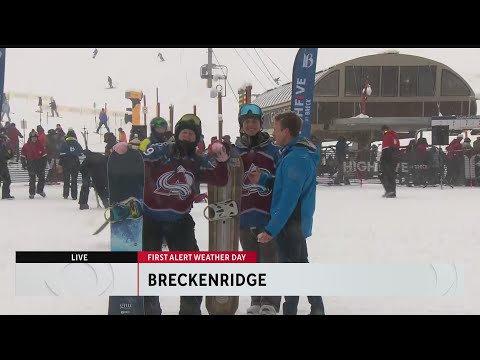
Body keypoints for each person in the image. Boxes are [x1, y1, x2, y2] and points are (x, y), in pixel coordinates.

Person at [114, 113, 229, 315]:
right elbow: (140, 159)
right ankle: (150, 308)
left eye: (191, 134)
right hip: (151, 220)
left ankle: (190, 309)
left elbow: (219, 180)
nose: (186, 136)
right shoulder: (161, 151)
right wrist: (123, 153)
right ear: (176, 134)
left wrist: (221, 161)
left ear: (196, 138)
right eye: (183, 132)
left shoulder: (197, 160)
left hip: (180, 221)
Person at [249, 111, 325, 315]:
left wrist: (271, 229)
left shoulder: (296, 158)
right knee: (298, 266)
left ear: (286, 131)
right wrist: (264, 180)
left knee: (291, 267)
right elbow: (286, 185)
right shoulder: (294, 154)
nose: (273, 133)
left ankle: (296, 308)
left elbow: (289, 198)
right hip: (294, 221)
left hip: (291, 222)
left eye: (275, 128)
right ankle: (313, 307)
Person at [235, 103, 281, 315]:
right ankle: (256, 299)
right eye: (247, 122)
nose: (251, 125)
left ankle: (270, 301)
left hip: (267, 215)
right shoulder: (235, 153)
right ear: (241, 125)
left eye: (254, 121)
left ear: (261, 124)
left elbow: (282, 181)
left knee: (269, 261)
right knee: (252, 261)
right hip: (244, 216)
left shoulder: (273, 151)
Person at [21, 130, 47, 199]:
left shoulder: (40, 145)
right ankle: (32, 193)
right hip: (31, 163)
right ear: (30, 138)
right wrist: (24, 164)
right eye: (33, 137)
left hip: (39, 163)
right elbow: (23, 156)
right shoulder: (26, 146)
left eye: (35, 137)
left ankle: (40, 190)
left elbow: (44, 156)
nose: (34, 138)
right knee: (32, 179)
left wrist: (43, 165)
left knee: (42, 178)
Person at [59, 129, 83, 200]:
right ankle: (74, 195)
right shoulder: (77, 144)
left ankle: (65, 194)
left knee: (66, 179)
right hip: (75, 163)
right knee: (74, 179)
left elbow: (61, 154)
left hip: (66, 163)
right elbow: (81, 153)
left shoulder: (64, 143)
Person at [378, 125, 400, 198]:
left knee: (383, 174)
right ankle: (392, 191)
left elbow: (386, 149)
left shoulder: (387, 136)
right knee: (391, 175)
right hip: (395, 157)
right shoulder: (395, 136)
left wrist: (382, 160)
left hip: (388, 157)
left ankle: (389, 190)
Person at [0, 127, 14, 199]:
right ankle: (5, 194)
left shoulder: (4, 145)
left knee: (7, 180)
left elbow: (6, 156)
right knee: (7, 180)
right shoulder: (3, 143)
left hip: (3, 165)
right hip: (2, 165)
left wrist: (10, 153)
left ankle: (5, 194)